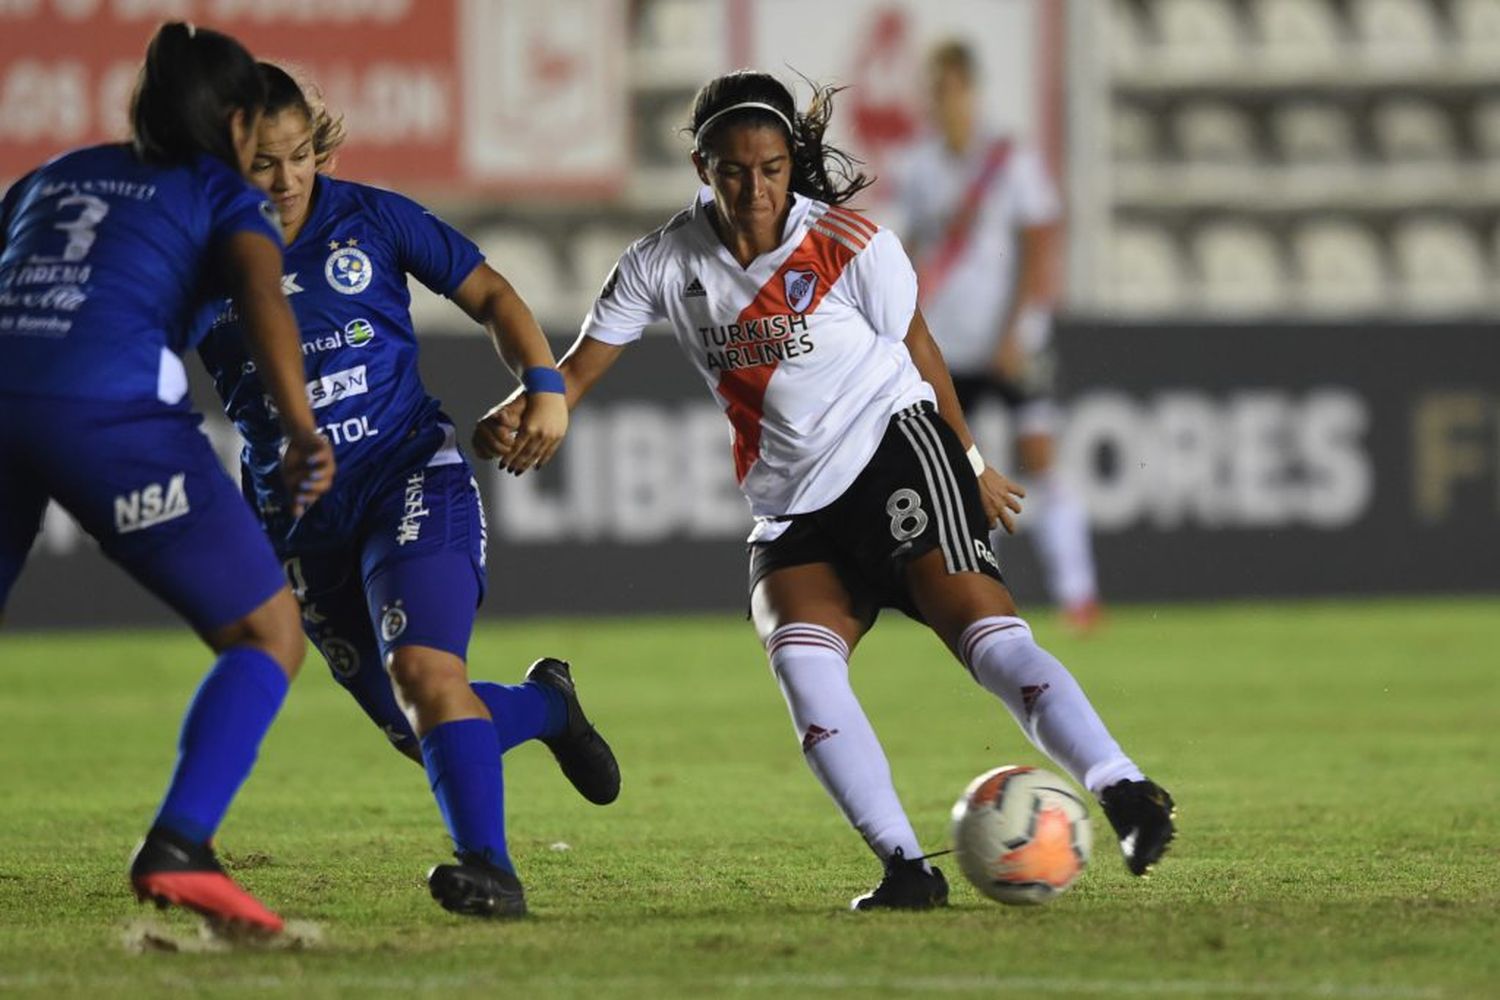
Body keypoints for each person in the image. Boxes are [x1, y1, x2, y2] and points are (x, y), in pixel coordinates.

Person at [485, 70, 1175, 909]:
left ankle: (1125, 789)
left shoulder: (848, 241)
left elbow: (918, 348)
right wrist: (528, 409)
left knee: (986, 639)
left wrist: (970, 462)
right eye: (735, 170)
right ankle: (905, 869)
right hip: (789, 504)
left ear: (790, 163)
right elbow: (580, 366)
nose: (755, 187)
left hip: (894, 452)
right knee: (804, 671)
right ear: (703, 167)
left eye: (772, 168)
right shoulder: (664, 261)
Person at [196, 63, 620, 921]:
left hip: (409, 474)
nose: (284, 181)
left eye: (297, 157)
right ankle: (546, 705)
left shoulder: (373, 220)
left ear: (316, 147)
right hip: (300, 525)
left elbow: (492, 294)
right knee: (414, 725)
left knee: (426, 673)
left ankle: (490, 872)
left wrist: (544, 385)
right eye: (261, 166)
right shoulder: (192, 259)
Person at [0, 24, 335, 934]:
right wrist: (301, 426)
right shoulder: (221, 191)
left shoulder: (51, 174)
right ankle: (180, 846)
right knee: (268, 633)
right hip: (106, 417)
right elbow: (263, 294)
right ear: (236, 122)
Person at [896, 41, 1101, 632]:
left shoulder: (1010, 160)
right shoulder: (918, 166)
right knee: (967, 474)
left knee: (1039, 459)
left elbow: (1039, 246)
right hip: (947, 346)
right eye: (933, 89)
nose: (942, 101)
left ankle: (1079, 595)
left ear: (971, 90)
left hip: (1012, 343)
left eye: (950, 87)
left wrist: (1020, 329)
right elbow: (905, 254)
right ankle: (991, 599)